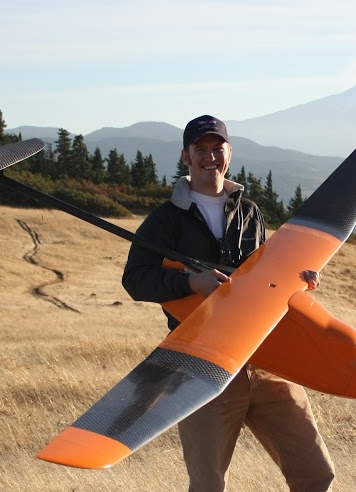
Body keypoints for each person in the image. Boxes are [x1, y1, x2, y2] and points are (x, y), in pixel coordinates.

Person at [122, 115, 335, 492]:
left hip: (265, 358)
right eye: (200, 150)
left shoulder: (249, 211)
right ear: (186, 157)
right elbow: (135, 279)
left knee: (316, 475)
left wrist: (299, 280)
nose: (209, 157)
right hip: (200, 367)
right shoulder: (165, 219)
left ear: (229, 154)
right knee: (207, 485)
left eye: (216, 149)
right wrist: (189, 282)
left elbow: (265, 276)